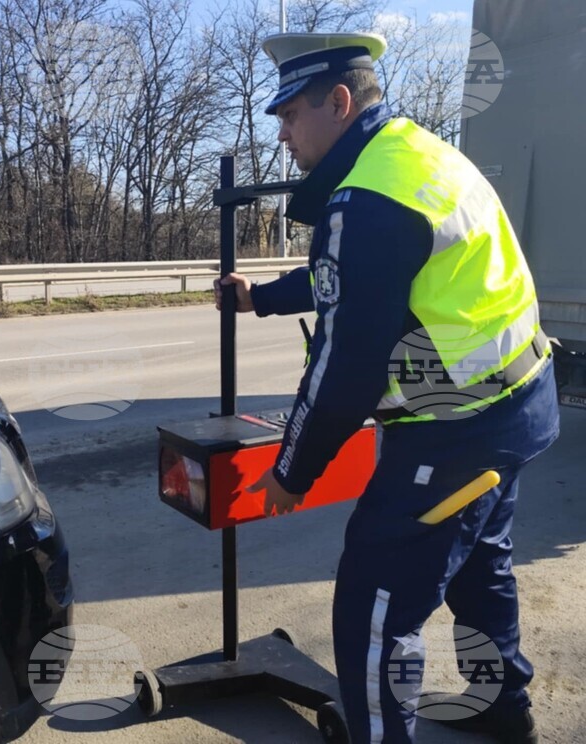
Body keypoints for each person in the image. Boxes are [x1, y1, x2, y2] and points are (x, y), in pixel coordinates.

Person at [213, 32, 559, 744]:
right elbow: (359, 276)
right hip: (518, 402)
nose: (281, 135)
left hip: (456, 425)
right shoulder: (411, 155)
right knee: (480, 566)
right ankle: (503, 704)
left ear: (338, 103)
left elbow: (347, 366)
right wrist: (263, 299)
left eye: (289, 116)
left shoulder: (368, 195)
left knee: (374, 606)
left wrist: (291, 471)